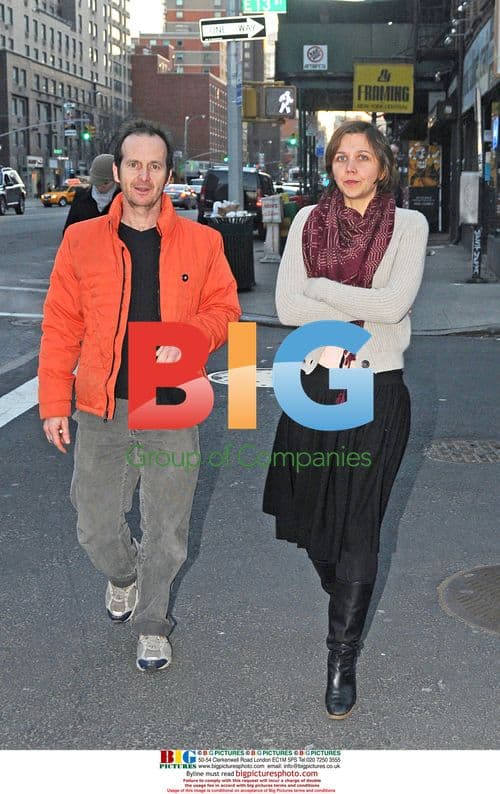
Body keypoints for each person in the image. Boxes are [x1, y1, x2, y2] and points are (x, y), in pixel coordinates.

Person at [39, 119, 241, 672]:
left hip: (171, 396)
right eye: (134, 165)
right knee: (94, 521)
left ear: (168, 175)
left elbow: (225, 309)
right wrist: (54, 402)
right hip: (101, 402)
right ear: (118, 171)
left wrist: (193, 337)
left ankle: (153, 622)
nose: (144, 175)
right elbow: (60, 326)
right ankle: (125, 575)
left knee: (167, 524)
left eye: (155, 165)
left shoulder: (204, 242)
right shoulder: (82, 241)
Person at [263, 120, 428, 719]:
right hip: (311, 381)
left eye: (362, 157)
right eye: (340, 158)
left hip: (376, 385)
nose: (350, 167)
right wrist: (344, 303)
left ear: (382, 167)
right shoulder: (307, 221)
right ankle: (348, 589)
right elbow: (285, 306)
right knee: (309, 513)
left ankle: (341, 655)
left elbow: (393, 305)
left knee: (357, 523)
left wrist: (322, 288)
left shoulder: (408, 225)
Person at [63, 153, 120, 232]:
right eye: (97, 182)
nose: (101, 186)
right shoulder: (81, 196)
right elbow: (69, 229)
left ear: (115, 180)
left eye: (106, 182)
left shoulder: (123, 199)